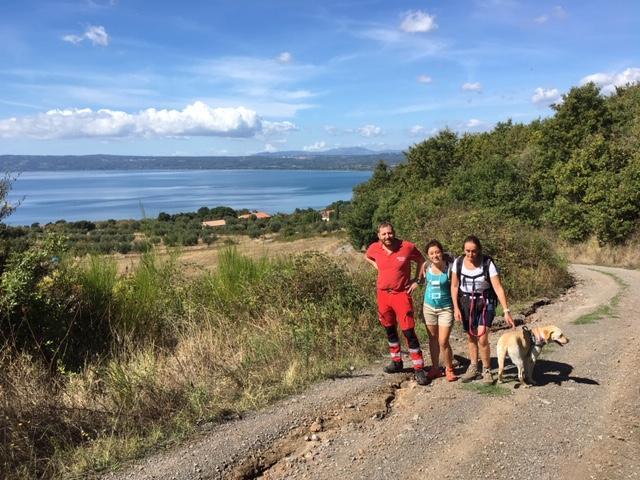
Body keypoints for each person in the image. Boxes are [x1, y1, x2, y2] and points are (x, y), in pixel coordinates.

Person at [365, 222, 428, 385]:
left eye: (390, 233)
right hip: (383, 295)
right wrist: (376, 265)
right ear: (379, 235)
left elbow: (422, 260)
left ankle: (419, 368)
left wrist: (418, 280)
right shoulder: (374, 248)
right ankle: (397, 362)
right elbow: (367, 256)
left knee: (408, 332)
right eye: (384, 234)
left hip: (401, 294)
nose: (387, 236)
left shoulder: (407, 247)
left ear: (394, 233)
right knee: (389, 329)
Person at [451, 235, 515, 384]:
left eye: (473, 251)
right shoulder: (458, 263)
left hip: (486, 302)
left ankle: (486, 369)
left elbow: (498, 288)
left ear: (478, 250)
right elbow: (454, 286)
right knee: (471, 336)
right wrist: (456, 308)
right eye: (467, 251)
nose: (470, 254)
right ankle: (474, 367)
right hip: (466, 302)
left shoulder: (487, 263)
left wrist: (506, 310)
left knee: (482, 336)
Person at [420, 239, 458, 382]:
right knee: (432, 339)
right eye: (431, 253)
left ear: (441, 252)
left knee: (443, 341)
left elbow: (455, 288)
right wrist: (415, 284)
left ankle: (449, 369)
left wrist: (457, 308)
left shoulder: (450, 268)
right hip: (429, 307)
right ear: (428, 255)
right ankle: (435, 368)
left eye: (437, 252)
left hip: (445, 308)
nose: (435, 255)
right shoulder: (426, 267)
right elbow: (422, 281)